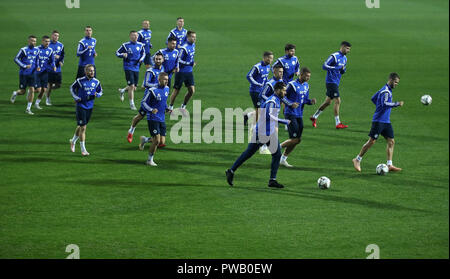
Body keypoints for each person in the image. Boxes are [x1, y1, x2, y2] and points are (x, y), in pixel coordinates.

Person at [226, 82, 290, 188]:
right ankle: (231, 171)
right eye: (283, 90)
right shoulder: (272, 101)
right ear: (277, 90)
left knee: (277, 155)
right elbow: (268, 116)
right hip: (261, 133)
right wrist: (283, 121)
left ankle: (272, 180)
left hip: (270, 133)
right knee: (248, 153)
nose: (285, 92)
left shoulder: (277, 100)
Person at [352, 73, 404, 172]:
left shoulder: (385, 89)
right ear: (391, 80)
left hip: (386, 121)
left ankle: (389, 164)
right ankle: (357, 159)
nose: (396, 84)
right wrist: (396, 104)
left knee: (391, 141)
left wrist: (379, 107)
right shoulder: (385, 91)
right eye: (396, 82)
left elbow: (373, 98)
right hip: (379, 121)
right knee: (372, 141)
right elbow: (384, 103)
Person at [279, 67, 316, 167]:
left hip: (299, 114)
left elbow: (304, 99)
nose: (308, 78)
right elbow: (283, 97)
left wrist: (310, 102)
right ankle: (276, 148)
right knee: (295, 139)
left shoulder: (306, 86)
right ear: (301, 75)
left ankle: (283, 159)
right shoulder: (291, 85)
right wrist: (290, 104)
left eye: (309, 76)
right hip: (290, 114)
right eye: (307, 76)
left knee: (297, 140)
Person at [310, 41, 351, 129]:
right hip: (330, 82)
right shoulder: (334, 56)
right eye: (347, 48)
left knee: (328, 102)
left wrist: (342, 70)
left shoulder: (345, 59)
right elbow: (324, 66)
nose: (348, 51)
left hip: (336, 82)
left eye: (349, 49)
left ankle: (314, 117)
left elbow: (342, 70)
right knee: (338, 101)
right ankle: (338, 123)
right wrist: (336, 68)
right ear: (342, 47)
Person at [127, 53, 165, 143]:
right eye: (156, 59)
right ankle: (131, 130)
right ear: (154, 60)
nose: (158, 61)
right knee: (140, 116)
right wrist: (157, 85)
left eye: (160, 59)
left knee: (157, 117)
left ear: (163, 60)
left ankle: (154, 139)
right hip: (149, 99)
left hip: (158, 99)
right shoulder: (150, 71)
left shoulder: (163, 69)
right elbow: (146, 84)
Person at [69, 64, 103, 156]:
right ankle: (83, 149)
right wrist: (76, 97)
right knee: (83, 127)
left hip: (90, 106)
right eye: (90, 71)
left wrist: (99, 94)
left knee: (81, 126)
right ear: (86, 72)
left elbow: (100, 91)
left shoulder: (96, 82)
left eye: (93, 71)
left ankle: (73, 141)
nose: (92, 72)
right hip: (81, 106)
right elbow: (72, 88)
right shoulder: (80, 81)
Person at [138, 73, 170, 166]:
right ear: (159, 80)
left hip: (162, 118)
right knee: (157, 141)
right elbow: (143, 102)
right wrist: (151, 110)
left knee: (162, 141)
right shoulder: (152, 90)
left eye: (167, 79)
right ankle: (149, 160)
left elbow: (163, 101)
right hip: (153, 118)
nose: (166, 81)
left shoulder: (167, 89)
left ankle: (145, 139)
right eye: (164, 79)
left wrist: (166, 108)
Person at [116, 31, 146, 110]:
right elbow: (117, 52)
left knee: (134, 87)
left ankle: (122, 91)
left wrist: (141, 59)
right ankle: (132, 104)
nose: (135, 37)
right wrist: (122, 55)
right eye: (133, 35)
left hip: (136, 67)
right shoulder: (125, 45)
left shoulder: (140, 45)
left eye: (136, 35)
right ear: (130, 36)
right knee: (132, 86)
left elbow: (144, 54)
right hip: (128, 67)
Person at [168, 30, 196, 112]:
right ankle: (170, 106)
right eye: (193, 37)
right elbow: (179, 60)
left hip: (189, 72)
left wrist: (191, 62)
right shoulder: (184, 48)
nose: (194, 39)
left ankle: (183, 106)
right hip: (181, 72)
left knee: (191, 91)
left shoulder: (193, 45)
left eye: (195, 37)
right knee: (176, 91)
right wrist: (189, 63)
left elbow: (191, 57)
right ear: (188, 37)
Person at [11, 35, 39, 115]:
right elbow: (16, 59)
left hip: (32, 73)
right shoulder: (23, 50)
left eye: (35, 41)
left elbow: (37, 59)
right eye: (32, 41)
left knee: (32, 90)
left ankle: (28, 109)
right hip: (23, 74)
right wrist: (24, 66)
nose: (33, 42)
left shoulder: (37, 50)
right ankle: (15, 93)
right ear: (28, 41)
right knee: (22, 91)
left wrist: (38, 67)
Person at [244, 51, 273, 124]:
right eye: (269, 58)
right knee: (260, 109)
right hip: (255, 91)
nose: (271, 60)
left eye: (272, 58)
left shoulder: (268, 66)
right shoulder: (257, 67)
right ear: (264, 58)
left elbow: (265, 78)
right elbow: (249, 76)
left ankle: (247, 116)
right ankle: (255, 126)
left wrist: (268, 83)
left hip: (262, 91)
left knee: (263, 108)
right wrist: (257, 84)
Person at [34, 35, 57, 110]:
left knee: (44, 89)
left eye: (48, 41)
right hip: (36, 72)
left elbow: (52, 60)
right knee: (38, 90)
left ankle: (37, 103)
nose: (47, 43)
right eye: (46, 41)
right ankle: (31, 91)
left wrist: (54, 66)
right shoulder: (37, 49)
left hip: (45, 72)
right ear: (42, 41)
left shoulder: (50, 50)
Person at [46, 30, 65, 106]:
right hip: (49, 68)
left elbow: (62, 55)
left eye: (57, 36)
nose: (56, 37)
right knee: (50, 84)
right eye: (54, 35)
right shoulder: (47, 44)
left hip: (58, 68)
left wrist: (61, 61)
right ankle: (47, 98)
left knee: (58, 85)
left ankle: (46, 90)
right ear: (52, 36)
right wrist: (54, 56)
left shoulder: (61, 45)